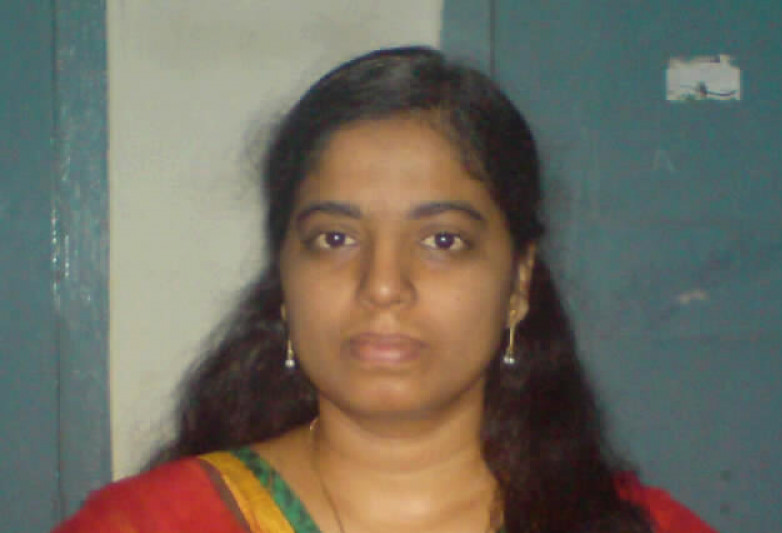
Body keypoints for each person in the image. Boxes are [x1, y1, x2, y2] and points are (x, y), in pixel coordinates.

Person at [54, 46, 717, 533]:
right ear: (283, 279)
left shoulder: (639, 527)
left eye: (443, 240)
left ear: (518, 283)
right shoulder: (153, 523)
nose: (383, 285)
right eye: (334, 238)